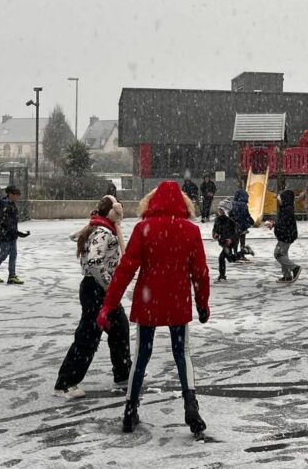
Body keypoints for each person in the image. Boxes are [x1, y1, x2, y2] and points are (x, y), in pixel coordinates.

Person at [97, 181, 211, 436]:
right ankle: (190, 405)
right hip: (177, 300)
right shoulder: (190, 231)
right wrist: (202, 303)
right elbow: (200, 272)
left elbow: (126, 270)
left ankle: (130, 409)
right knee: (182, 353)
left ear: (153, 202)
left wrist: (108, 305)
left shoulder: (143, 229)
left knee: (141, 355)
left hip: (148, 300)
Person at [54, 196, 132, 399]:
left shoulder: (97, 227)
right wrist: (108, 284)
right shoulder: (103, 232)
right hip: (97, 289)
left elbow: (75, 237)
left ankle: (123, 374)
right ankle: (65, 382)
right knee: (88, 334)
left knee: (119, 329)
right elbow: (94, 262)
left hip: (97, 288)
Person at [0, 186, 29, 284]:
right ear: (11, 194)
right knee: (4, 254)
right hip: (4, 235)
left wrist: (16, 232)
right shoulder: (4, 205)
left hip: (11, 234)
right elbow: (5, 222)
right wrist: (17, 232)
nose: (17, 198)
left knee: (13, 255)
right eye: (16, 195)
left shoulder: (11, 204)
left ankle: (12, 276)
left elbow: (11, 222)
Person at [272, 189, 302, 283]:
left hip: (286, 236)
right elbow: (282, 222)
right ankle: (287, 276)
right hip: (285, 235)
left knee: (278, 254)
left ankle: (295, 268)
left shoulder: (287, 209)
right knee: (284, 254)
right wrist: (274, 224)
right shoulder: (286, 208)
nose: (279, 201)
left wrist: (274, 224)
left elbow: (284, 223)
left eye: (280, 199)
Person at [211, 198, 238, 281]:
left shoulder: (231, 220)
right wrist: (215, 234)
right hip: (222, 241)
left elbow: (235, 232)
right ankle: (244, 251)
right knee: (231, 259)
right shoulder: (218, 219)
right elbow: (215, 229)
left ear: (226, 210)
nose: (219, 211)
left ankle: (222, 276)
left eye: (221, 210)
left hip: (229, 242)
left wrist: (231, 239)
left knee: (221, 257)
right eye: (219, 209)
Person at [229, 187, 254, 259]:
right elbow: (247, 215)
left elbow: (230, 214)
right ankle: (242, 255)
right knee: (242, 241)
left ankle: (235, 253)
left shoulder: (233, 204)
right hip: (242, 226)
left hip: (234, 225)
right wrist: (251, 221)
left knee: (235, 241)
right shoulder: (244, 205)